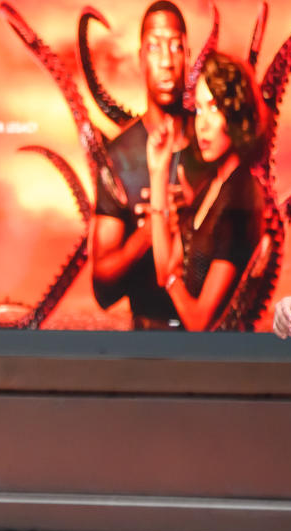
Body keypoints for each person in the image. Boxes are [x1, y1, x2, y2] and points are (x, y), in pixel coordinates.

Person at [91, 1, 210, 330]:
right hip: (146, 341)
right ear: (141, 57)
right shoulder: (118, 158)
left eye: (175, 46)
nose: (166, 62)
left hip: (215, 342)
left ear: (188, 53)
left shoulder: (212, 143)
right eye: (155, 47)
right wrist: (150, 231)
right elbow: (102, 287)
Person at [147, 51, 267, 331]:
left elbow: (199, 320)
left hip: (220, 363)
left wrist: (172, 281)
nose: (203, 123)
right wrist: (158, 172)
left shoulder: (241, 198)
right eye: (199, 109)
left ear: (236, 111)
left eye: (214, 107)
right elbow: (164, 267)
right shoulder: (211, 189)